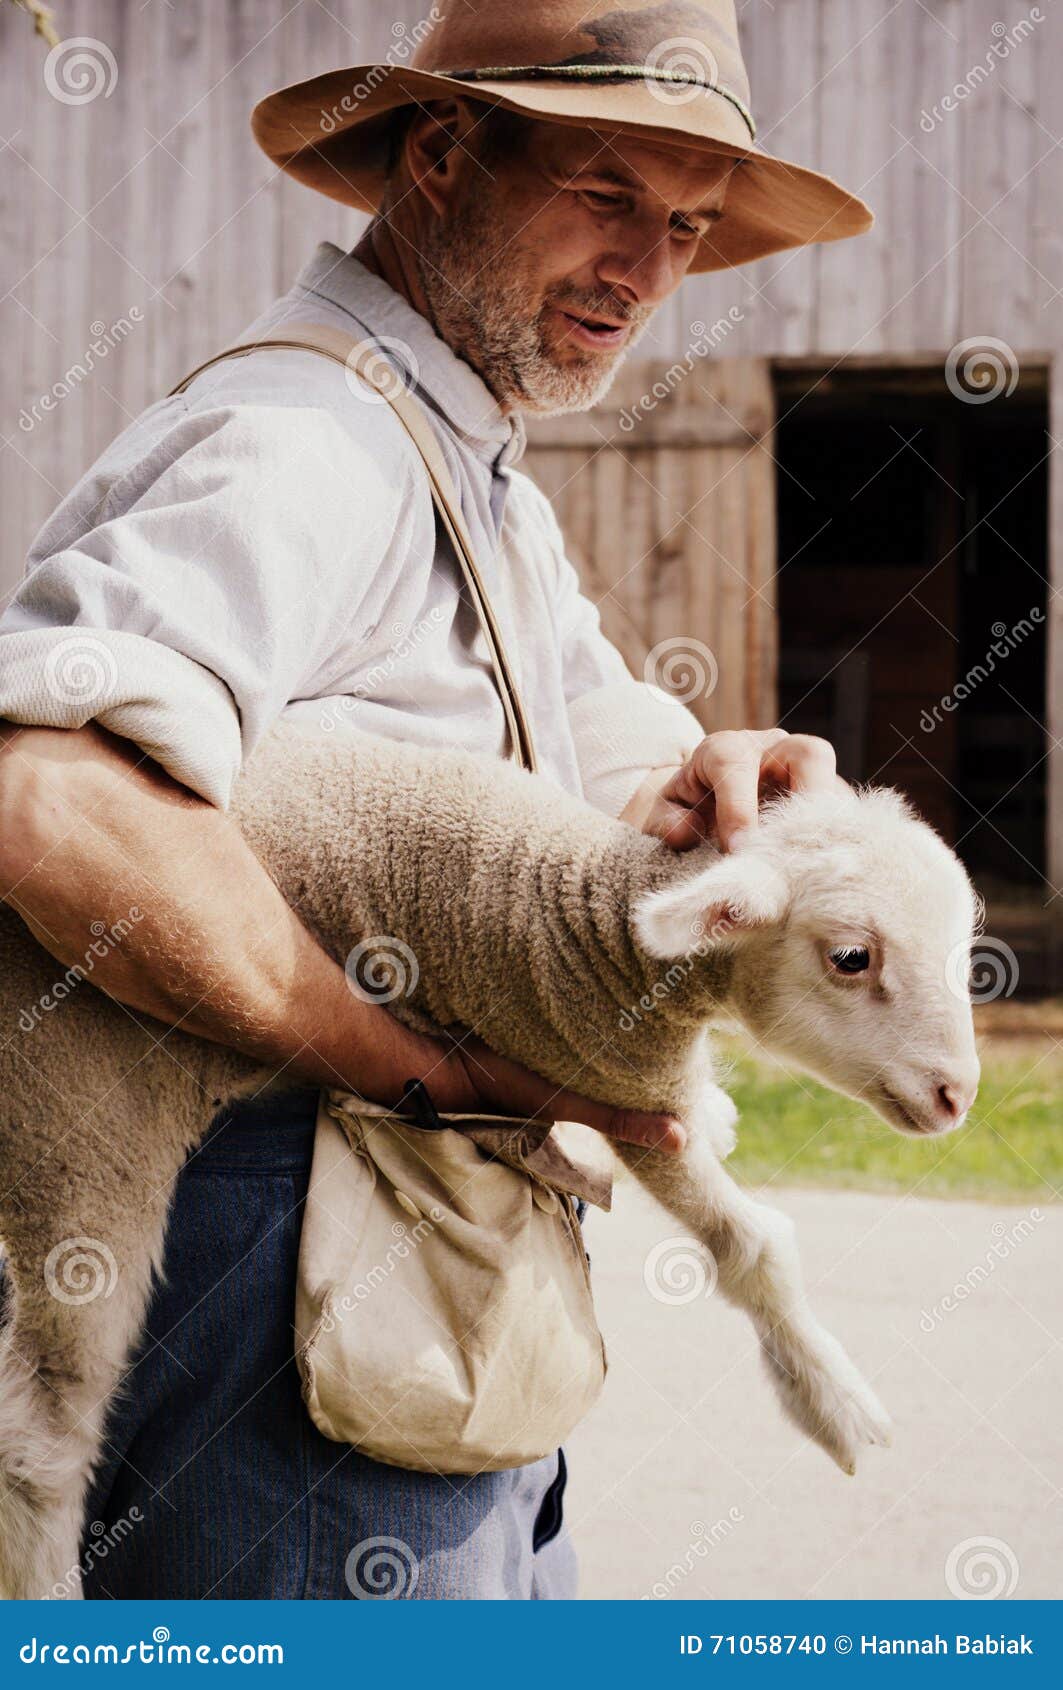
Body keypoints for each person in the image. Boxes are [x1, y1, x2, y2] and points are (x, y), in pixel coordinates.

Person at [0, 0, 871, 1599]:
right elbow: (51, 808)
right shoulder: (304, 440)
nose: (650, 270)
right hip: (280, 1251)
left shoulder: (464, 458)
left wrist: (701, 773)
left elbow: (568, 737)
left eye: (685, 224)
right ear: (443, 151)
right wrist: (410, 1062)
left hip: (416, 1284)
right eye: (607, 195)